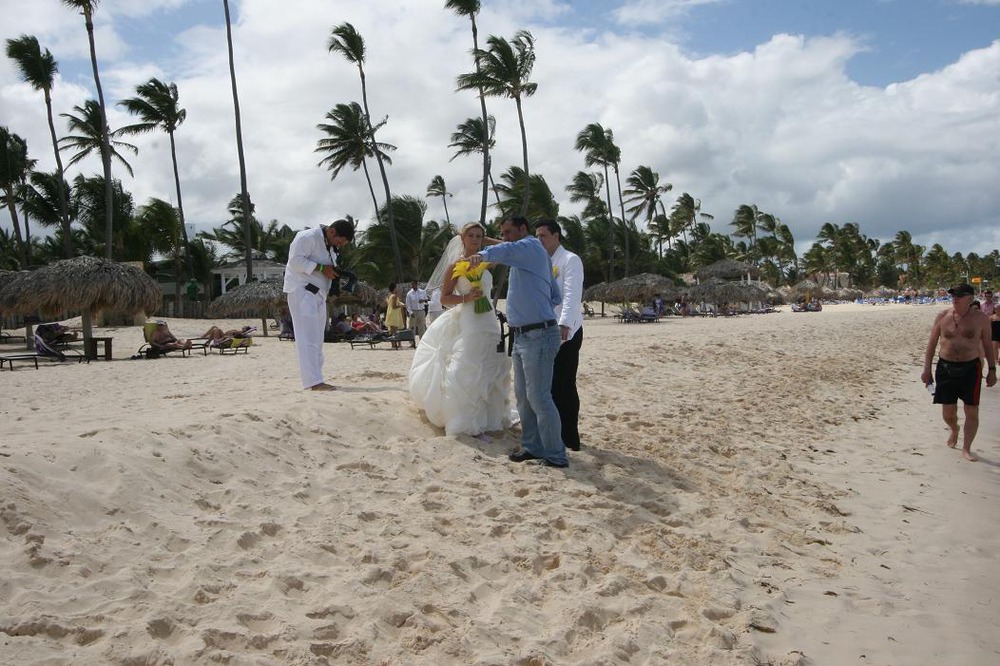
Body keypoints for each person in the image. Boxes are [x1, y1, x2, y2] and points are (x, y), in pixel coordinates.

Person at [468, 216, 566, 468]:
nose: (506, 236)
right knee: (523, 397)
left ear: (524, 230)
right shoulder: (528, 256)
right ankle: (533, 447)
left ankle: (556, 455)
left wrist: (484, 253)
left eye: (510, 232)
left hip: (538, 335)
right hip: (523, 335)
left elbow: (507, 248)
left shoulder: (531, 246)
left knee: (540, 398)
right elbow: (555, 294)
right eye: (503, 233)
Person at [409, 222, 514, 436]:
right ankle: (465, 420)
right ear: (462, 238)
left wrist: (485, 242)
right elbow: (446, 298)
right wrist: (467, 297)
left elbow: (507, 247)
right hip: (470, 318)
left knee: (490, 365)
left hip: (488, 319)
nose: (475, 239)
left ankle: (487, 419)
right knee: (467, 366)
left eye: (479, 236)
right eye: (471, 236)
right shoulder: (455, 265)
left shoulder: (486, 260)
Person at [921, 283, 997, 461]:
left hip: (971, 368)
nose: (955, 298)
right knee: (948, 412)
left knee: (972, 410)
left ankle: (966, 448)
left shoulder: (981, 319)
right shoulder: (943, 316)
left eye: (960, 295)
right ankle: (954, 429)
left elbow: (987, 344)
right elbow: (931, 344)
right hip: (945, 368)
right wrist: (927, 369)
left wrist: (992, 370)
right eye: (953, 295)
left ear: (970, 299)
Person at [282, 218, 354, 391]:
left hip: (319, 294)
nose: (340, 245)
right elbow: (295, 261)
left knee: (317, 338)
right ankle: (313, 382)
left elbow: (329, 268)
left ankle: (316, 378)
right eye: (340, 241)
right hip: (302, 291)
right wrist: (321, 268)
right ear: (332, 231)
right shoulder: (307, 237)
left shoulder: (332, 248)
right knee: (307, 337)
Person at [535, 219, 584, 452]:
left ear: (556, 236)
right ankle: (554, 435)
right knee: (549, 385)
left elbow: (572, 295)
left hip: (567, 330)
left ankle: (570, 437)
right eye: (537, 236)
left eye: (543, 235)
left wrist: (564, 325)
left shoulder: (570, 260)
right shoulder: (542, 261)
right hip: (545, 329)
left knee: (564, 384)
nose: (539, 240)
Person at [384, 282, 406, 349]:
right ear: (394, 288)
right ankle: (397, 344)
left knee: (392, 330)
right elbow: (394, 306)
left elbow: (390, 304)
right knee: (395, 330)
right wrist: (402, 305)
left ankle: (394, 344)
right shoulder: (394, 296)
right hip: (394, 314)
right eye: (396, 287)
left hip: (391, 313)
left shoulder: (390, 295)